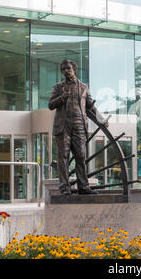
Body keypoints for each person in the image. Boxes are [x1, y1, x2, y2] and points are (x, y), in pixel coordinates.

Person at [48, 59, 108, 195]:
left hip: (79, 124)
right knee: (63, 156)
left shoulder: (84, 87)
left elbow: (91, 107)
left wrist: (101, 120)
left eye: (68, 68)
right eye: (63, 69)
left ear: (75, 69)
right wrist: (63, 97)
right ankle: (65, 187)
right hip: (63, 126)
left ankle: (83, 186)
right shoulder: (58, 87)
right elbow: (51, 105)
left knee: (81, 155)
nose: (65, 71)